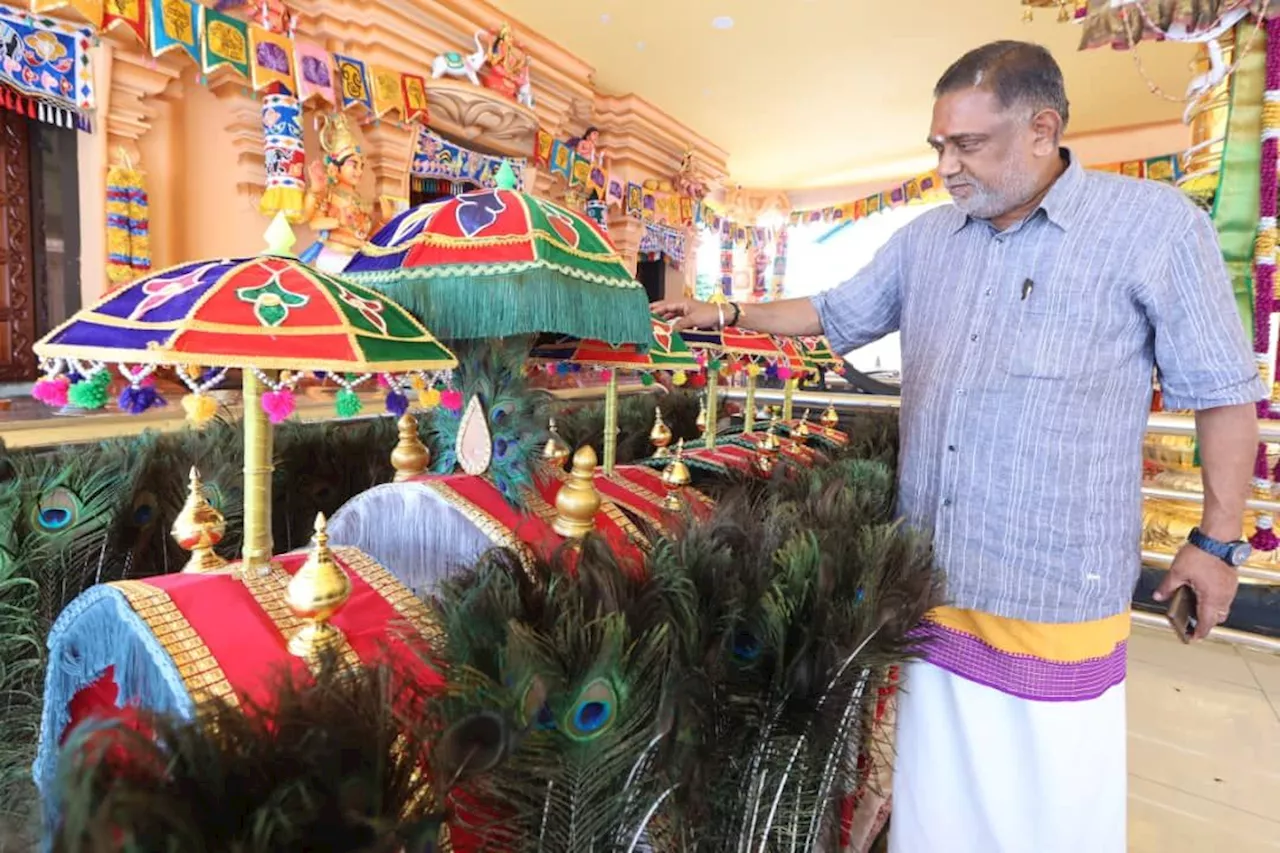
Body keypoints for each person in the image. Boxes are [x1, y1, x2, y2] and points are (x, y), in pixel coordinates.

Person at [653, 41, 1262, 853]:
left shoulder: (1153, 228)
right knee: (935, 802)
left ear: (1042, 129)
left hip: (1053, 592)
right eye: (938, 145)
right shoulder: (927, 240)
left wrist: (1216, 541)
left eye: (967, 144)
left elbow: (1222, 390)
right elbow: (836, 311)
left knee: (1046, 814)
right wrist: (729, 316)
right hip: (932, 581)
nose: (946, 165)